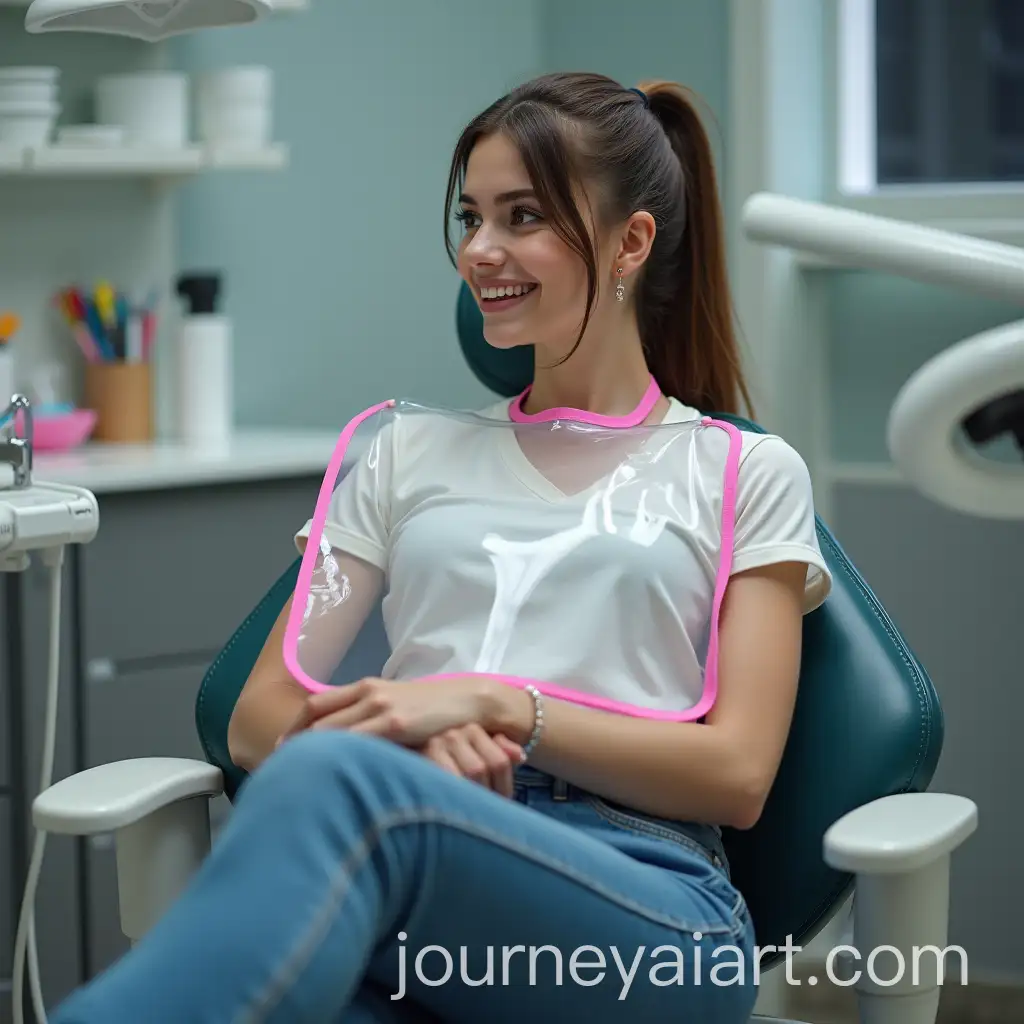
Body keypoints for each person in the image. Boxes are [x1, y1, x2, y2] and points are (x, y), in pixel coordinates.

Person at [52, 72, 831, 1024]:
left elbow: (739, 775)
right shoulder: (400, 452)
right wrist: (414, 741)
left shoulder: (744, 470)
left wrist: (495, 704)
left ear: (631, 242)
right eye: (471, 216)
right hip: (412, 875)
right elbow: (261, 714)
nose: (479, 249)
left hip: (649, 908)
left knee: (340, 788)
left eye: (522, 216)